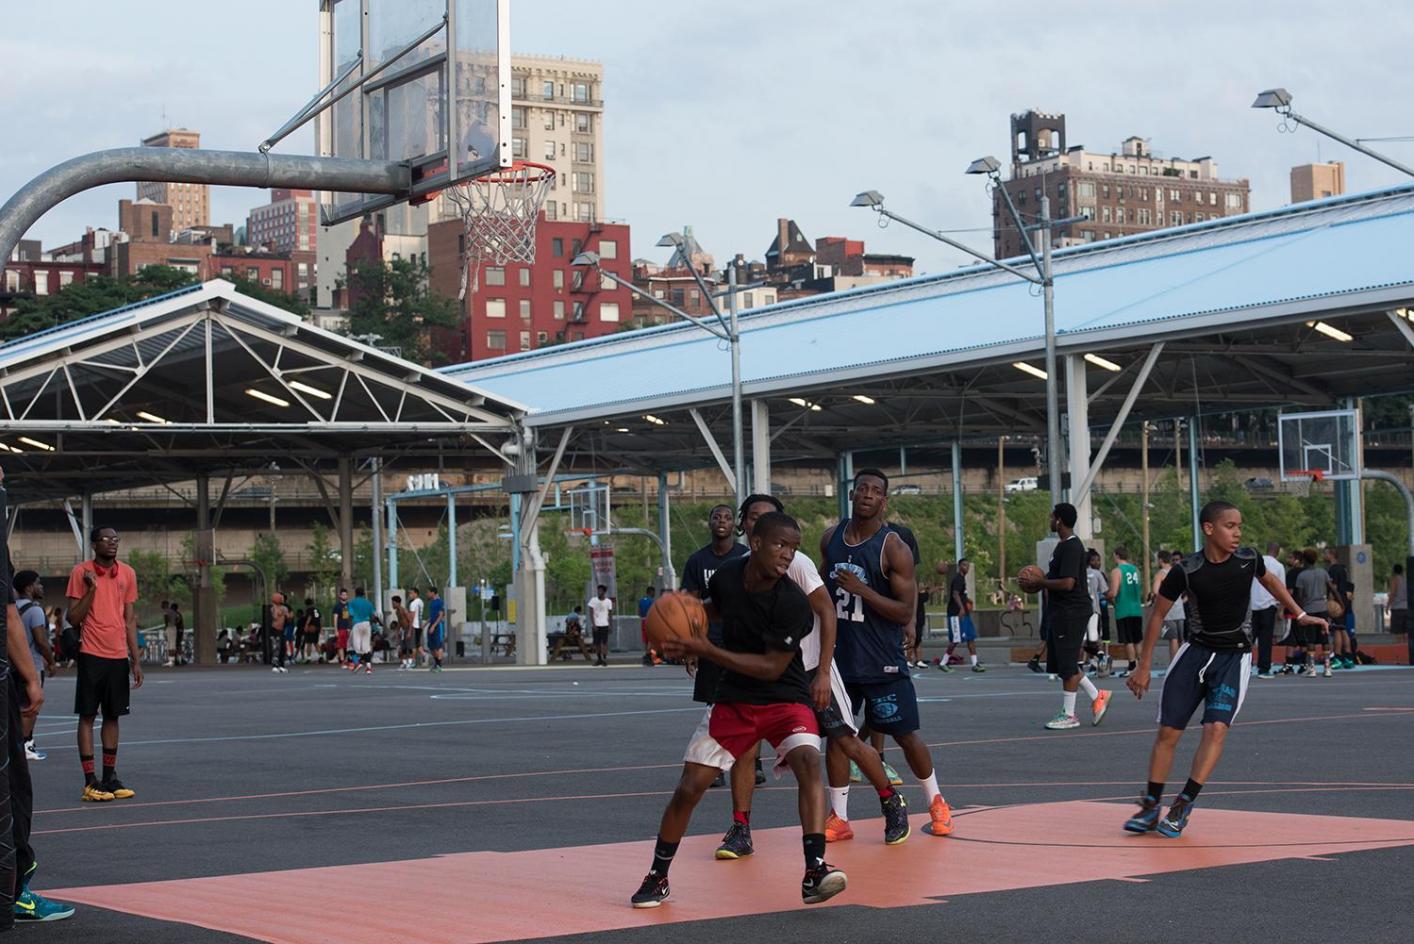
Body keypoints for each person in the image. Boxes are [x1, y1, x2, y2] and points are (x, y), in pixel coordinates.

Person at [629, 512, 846, 909]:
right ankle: (658, 875)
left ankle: (814, 868)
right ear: (757, 542)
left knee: (807, 762)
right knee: (689, 788)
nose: (788, 555)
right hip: (735, 699)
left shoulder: (792, 604)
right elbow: (715, 608)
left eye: (794, 548)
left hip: (785, 696)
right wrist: (681, 622)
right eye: (781, 545)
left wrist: (706, 649)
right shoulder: (729, 576)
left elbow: (771, 668)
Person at [716, 496, 909, 858]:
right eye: (755, 517)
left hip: (808, 669)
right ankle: (741, 829)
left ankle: (890, 800)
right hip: (763, 674)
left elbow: (827, 612)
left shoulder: (797, 563)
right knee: (744, 748)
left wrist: (823, 671)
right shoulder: (738, 571)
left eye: (768, 517)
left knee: (846, 741)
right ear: (748, 529)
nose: (761, 523)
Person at [1122, 501, 1328, 837]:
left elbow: (1273, 581)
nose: (1237, 533)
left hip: (1234, 657)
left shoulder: (1248, 560)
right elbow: (1157, 616)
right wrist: (1143, 667)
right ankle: (1150, 806)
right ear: (1208, 529)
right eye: (1230, 526)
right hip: (1195, 654)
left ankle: (1183, 805)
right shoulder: (1186, 570)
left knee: (1216, 729)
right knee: (1168, 733)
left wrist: (1299, 613)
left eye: (1239, 526)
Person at [821, 469, 955, 837]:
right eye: (861, 488)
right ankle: (840, 817)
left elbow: (903, 611)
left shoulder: (893, 547)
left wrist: (862, 590)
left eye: (875, 491)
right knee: (837, 737)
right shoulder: (831, 538)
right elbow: (821, 595)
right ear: (852, 494)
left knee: (906, 734)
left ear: (884, 500)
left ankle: (937, 801)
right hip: (840, 660)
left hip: (881, 658)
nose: (866, 494)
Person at [65, 526, 142, 802]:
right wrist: (91, 590)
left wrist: (135, 658)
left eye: (116, 539)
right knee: (87, 716)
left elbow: (129, 619)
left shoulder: (128, 573)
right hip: (91, 654)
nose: (112, 543)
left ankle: (109, 777)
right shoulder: (81, 573)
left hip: (118, 655)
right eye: (106, 539)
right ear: (94, 545)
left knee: (113, 715)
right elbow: (73, 618)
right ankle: (90, 781)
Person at [1020, 504, 1111, 730]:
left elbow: (1069, 583)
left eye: (1052, 516)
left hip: (1072, 612)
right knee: (1065, 663)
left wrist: (1040, 582)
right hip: (1063, 612)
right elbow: (1056, 577)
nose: (1050, 519)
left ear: (1059, 520)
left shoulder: (1071, 546)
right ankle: (1098, 695)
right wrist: (1038, 581)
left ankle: (1070, 715)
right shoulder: (1062, 546)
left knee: (1068, 666)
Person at [681, 504, 751, 787]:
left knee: (746, 704)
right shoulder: (697, 561)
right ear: (709, 523)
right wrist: (691, 646)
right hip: (710, 642)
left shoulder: (745, 557)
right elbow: (691, 607)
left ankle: (751, 763)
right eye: (715, 516)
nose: (721, 521)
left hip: (741, 641)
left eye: (726, 517)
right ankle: (716, 765)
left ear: (734, 524)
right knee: (716, 705)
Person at [11, 572, 52, 763]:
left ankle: (18, 744)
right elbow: (41, 641)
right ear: (29, 587)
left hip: (14, 665)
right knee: (31, 707)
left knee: (17, 705)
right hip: (32, 664)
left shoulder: (12, 608)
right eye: (38, 583)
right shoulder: (35, 611)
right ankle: (25, 745)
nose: (41, 587)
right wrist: (51, 661)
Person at [1294, 549, 1333, 677]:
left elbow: (1299, 596)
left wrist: (1299, 613)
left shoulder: (1302, 576)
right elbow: (1331, 588)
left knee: (1310, 640)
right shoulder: (1323, 573)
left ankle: (1312, 668)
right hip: (1322, 608)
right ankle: (1327, 667)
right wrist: (1340, 604)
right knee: (1325, 638)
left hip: (1309, 610)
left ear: (1304, 560)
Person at [1249, 542, 1285, 679]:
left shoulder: (1256, 562)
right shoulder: (1278, 566)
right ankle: (1263, 669)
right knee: (1266, 639)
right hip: (1268, 606)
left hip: (1252, 605)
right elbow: (1281, 588)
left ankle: (1246, 666)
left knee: (1249, 638)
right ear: (1278, 552)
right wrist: (1281, 609)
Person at [1108, 546, 1144, 677]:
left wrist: (1107, 596)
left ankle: (1132, 665)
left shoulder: (1117, 571)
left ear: (1117, 555)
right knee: (1137, 639)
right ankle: (1141, 665)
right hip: (1136, 608)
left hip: (1124, 608)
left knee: (1128, 640)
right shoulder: (1135, 570)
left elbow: (1114, 592)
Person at [944, 559, 984, 672]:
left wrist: (968, 601)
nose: (966, 567)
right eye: (964, 565)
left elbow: (961, 595)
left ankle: (975, 663)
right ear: (959, 566)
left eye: (968, 565)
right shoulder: (957, 579)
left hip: (965, 613)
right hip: (956, 613)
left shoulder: (962, 579)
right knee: (955, 640)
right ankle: (943, 662)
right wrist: (961, 608)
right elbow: (955, 594)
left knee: (970, 638)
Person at [1324, 548, 1356, 668]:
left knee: (1337, 630)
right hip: (1345, 600)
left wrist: (1331, 603)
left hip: (1338, 602)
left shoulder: (1333, 569)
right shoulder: (1343, 568)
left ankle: (1337, 657)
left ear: (1331, 554)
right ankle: (1348, 657)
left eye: (1326, 553)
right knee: (1343, 629)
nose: (1324, 556)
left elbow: (1334, 587)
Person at [1085, 550, 1110, 677]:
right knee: (1094, 638)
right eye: (1094, 560)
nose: (1097, 563)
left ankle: (1091, 662)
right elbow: (1106, 591)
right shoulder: (1098, 574)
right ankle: (1100, 658)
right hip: (1094, 610)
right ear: (1089, 561)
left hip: (1082, 611)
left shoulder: (1077, 573)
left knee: (1084, 640)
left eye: (1098, 560)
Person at [347, 588, 375, 675]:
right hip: (367, 624)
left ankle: (357, 662)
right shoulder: (368, 603)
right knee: (366, 648)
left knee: (353, 646)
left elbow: (351, 615)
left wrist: (349, 626)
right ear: (363, 594)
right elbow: (373, 616)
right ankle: (369, 667)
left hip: (357, 624)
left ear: (355, 593)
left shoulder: (352, 603)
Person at [587, 584, 614, 667]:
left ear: (604, 592)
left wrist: (610, 625)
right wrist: (593, 624)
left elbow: (610, 614)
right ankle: (599, 658)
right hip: (596, 624)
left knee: (604, 642)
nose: (599, 592)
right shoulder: (593, 600)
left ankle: (604, 658)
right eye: (598, 590)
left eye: (601, 591)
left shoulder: (608, 601)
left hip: (604, 624)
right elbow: (591, 613)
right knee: (597, 643)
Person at [425, 588, 446, 671]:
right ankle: (436, 663)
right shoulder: (431, 603)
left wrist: (434, 626)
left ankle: (439, 665)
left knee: (438, 645)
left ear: (433, 593)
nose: (427, 594)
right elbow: (432, 616)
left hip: (438, 625)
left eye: (428, 592)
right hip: (432, 624)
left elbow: (440, 615)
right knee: (431, 645)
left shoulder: (440, 602)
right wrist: (426, 624)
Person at [391, 595, 415, 669]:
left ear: (398, 603)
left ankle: (410, 663)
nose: (392, 605)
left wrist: (409, 632)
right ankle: (404, 663)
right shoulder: (397, 611)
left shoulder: (403, 610)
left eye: (394, 603)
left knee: (409, 647)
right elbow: (400, 622)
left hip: (409, 629)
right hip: (404, 630)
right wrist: (397, 632)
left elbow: (410, 621)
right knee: (403, 647)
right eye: (392, 603)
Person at [270, 593, 292, 674]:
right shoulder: (273, 608)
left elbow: (289, 617)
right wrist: (277, 609)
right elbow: (275, 617)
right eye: (280, 598)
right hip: (275, 630)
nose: (282, 599)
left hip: (282, 630)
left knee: (283, 648)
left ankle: (281, 666)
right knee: (276, 648)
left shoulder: (284, 608)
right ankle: (275, 666)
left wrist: (286, 614)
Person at [638, 586, 659, 666]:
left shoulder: (641, 601)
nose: (654, 594)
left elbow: (639, 613)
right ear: (651, 592)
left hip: (643, 621)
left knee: (646, 640)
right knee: (651, 639)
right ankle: (647, 656)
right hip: (650, 621)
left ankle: (647, 654)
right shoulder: (653, 601)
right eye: (653, 592)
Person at [333, 589, 352, 666]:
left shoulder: (349, 605)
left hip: (348, 628)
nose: (344, 596)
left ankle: (348, 659)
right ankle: (342, 660)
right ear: (340, 596)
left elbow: (349, 617)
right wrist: (335, 630)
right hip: (340, 628)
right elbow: (335, 618)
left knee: (348, 645)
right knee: (340, 645)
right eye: (343, 595)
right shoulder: (337, 606)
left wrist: (350, 627)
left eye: (345, 595)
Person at [301, 598, 322, 664]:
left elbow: (309, 617)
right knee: (316, 642)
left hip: (311, 627)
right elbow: (321, 618)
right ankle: (321, 656)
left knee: (309, 643)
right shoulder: (316, 610)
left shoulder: (309, 610)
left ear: (306, 604)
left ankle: (308, 658)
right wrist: (320, 627)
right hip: (317, 627)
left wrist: (306, 625)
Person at [407, 587, 424, 666]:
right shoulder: (421, 602)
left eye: (411, 593)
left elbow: (412, 617)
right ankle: (424, 655)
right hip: (419, 626)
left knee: (413, 645)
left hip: (414, 625)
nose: (410, 595)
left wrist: (409, 630)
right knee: (418, 644)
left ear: (416, 593)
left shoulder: (413, 603)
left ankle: (413, 662)